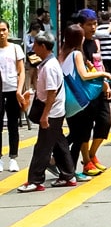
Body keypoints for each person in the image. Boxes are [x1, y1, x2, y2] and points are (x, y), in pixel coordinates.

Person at [17, 33, 78, 192]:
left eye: (35, 45)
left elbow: (51, 93)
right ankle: (68, 175)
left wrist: (45, 116)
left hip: (52, 112)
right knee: (59, 144)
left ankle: (35, 181)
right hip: (54, 111)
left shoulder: (50, 66)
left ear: (43, 47)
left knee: (42, 147)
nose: (33, 48)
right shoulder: (46, 63)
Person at [60, 24, 111, 179]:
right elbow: (83, 75)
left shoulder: (63, 54)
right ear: (78, 39)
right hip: (78, 101)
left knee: (76, 136)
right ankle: (66, 169)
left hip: (68, 101)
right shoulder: (76, 53)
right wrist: (103, 74)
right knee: (79, 137)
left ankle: (64, 166)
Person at [76, 9, 111, 175]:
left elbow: (98, 63)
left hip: (99, 88)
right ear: (80, 26)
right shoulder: (78, 44)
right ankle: (86, 160)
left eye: (95, 24)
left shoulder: (94, 42)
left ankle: (92, 155)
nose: (93, 27)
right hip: (85, 91)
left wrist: (107, 83)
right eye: (89, 24)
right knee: (84, 126)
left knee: (105, 122)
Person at [0, 20, 25, 172]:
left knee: (13, 125)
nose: (1, 33)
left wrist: (19, 90)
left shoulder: (15, 48)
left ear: (8, 31)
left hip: (13, 90)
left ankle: (13, 158)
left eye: (3, 29)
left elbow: (21, 71)